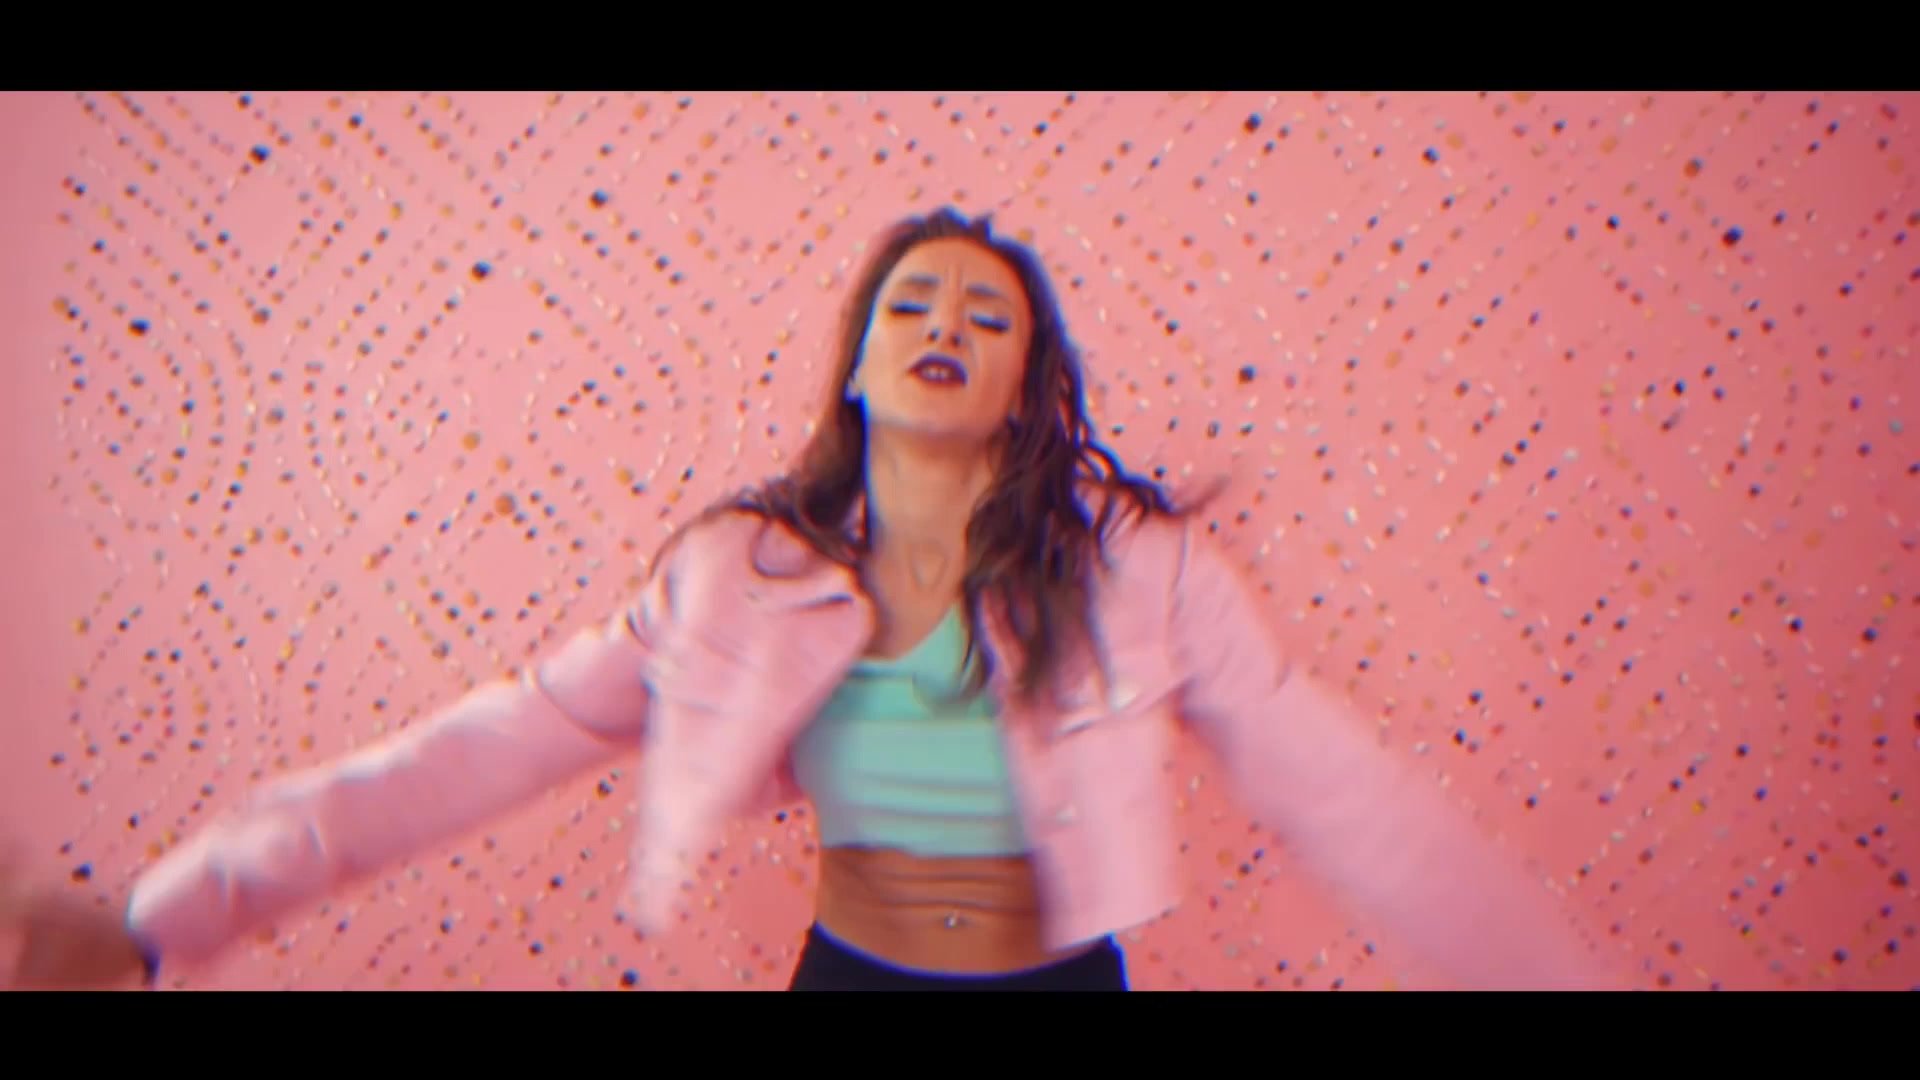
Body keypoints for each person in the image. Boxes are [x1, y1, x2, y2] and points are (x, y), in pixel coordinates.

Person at [0, 208, 1620, 992]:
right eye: (910, 303)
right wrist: (160, 923)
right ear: (857, 363)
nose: (944, 325)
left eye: (985, 314)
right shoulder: (739, 577)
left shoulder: (1141, 574)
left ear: (1029, 382)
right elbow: (472, 752)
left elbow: (1348, 797)